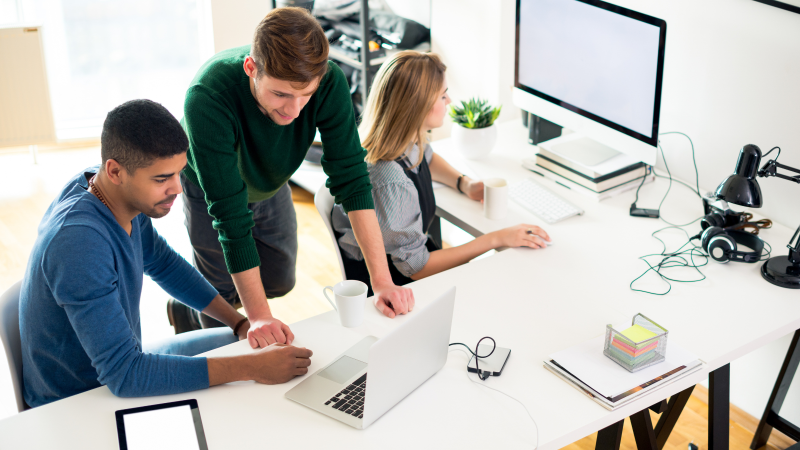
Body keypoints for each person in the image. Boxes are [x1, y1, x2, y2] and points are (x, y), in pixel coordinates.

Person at [19, 100, 312, 408]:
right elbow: (126, 375)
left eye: (178, 173)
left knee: (256, 345)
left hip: (122, 365)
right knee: (251, 374)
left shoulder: (115, 194)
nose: (177, 188)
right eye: (162, 179)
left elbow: (165, 264)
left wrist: (239, 323)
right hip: (79, 401)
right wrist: (251, 369)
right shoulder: (78, 244)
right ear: (115, 171)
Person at [173, 7, 413, 340]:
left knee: (280, 279)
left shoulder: (329, 82)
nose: (294, 110)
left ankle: (203, 304)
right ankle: (193, 315)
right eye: (281, 94)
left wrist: (382, 281)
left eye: (306, 95)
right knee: (221, 298)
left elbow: (352, 181)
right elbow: (230, 216)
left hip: (268, 179)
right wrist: (258, 319)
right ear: (251, 68)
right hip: (208, 186)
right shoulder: (207, 98)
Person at [332, 51, 551, 292]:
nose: (449, 101)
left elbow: (428, 159)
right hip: (399, 286)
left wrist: (463, 183)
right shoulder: (390, 179)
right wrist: (496, 238)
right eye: (443, 95)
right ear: (418, 106)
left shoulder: (403, 140)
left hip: (412, 262)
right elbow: (417, 268)